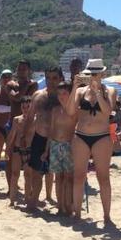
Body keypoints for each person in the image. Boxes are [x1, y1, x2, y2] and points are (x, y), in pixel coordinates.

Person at [62, 59, 115, 223]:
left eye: (95, 74)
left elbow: (107, 112)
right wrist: (74, 87)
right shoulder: (80, 91)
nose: (92, 76)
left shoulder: (110, 90)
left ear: (102, 74)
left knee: (103, 177)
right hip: (81, 135)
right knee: (78, 176)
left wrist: (97, 92)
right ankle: (77, 213)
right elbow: (70, 111)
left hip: (102, 136)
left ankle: (107, 216)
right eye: (90, 73)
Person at [26, 67, 63, 209]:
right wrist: (25, 137)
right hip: (39, 138)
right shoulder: (38, 95)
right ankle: (33, 202)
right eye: (48, 78)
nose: (51, 81)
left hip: (59, 139)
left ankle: (62, 205)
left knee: (60, 175)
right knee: (36, 173)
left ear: (60, 79)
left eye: (54, 78)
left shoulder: (65, 97)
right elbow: (29, 118)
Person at [45, 81, 78, 216]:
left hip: (69, 145)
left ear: (70, 94)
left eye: (64, 93)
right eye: (59, 94)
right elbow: (51, 130)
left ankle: (68, 206)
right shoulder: (55, 110)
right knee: (58, 177)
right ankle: (60, 205)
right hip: (55, 144)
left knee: (69, 178)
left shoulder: (75, 110)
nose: (61, 96)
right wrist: (46, 150)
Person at [5, 96, 33, 207]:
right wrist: (7, 148)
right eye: (23, 107)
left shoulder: (35, 120)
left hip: (29, 150)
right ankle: (12, 200)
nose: (25, 109)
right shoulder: (17, 119)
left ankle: (26, 199)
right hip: (17, 149)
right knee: (15, 174)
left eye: (27, 107)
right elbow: (12, 134)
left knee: (28, 175)